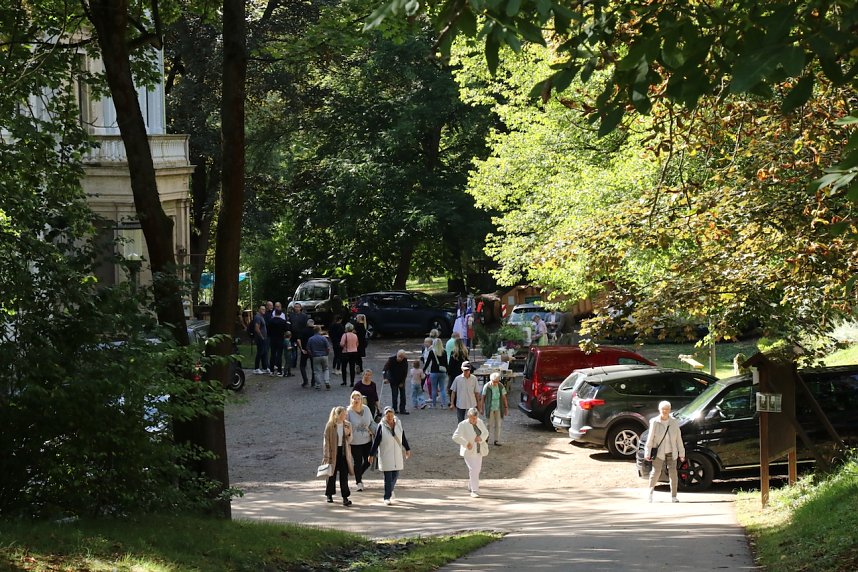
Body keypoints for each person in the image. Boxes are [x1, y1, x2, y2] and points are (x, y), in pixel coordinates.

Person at [369, 406, 412, 505]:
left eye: (391, 414)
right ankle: (386, 496)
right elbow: (376, 442)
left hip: (396, 453)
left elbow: (402, 436)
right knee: (388, 477)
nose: (389, 417)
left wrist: (407, 448)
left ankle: (390, 489)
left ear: (393, 415)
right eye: (387, 415)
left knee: (395, 474)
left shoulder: (398, 424)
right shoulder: (381, 426)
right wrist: (371, 454)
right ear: (385, 415)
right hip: (386, 454)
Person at [644, 400, 686, 503]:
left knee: (673, 474)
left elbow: (678, 438)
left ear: (670, 410)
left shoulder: (674, 422)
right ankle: (650, 493)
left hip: (672, 451)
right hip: (659, 452)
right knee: (655, 472)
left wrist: (682, 453)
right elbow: (650, 438)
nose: (665, 411)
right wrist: (647, 452)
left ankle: (674, 496)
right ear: (659, 410)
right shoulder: (654, 421)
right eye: (663, 409)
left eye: (667, 409)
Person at [452, 407, 489, 498]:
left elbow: (486, 432)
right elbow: (455, 437)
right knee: (473, 469)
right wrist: (465, 443)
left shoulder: (479, 421)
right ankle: (474, 490)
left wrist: (481, 438)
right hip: (468, 451)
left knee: (477, 469)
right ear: (468, 417)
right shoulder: (462, 424)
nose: (474, 420)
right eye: (472, 418)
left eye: (475, 418)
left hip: (479, 449)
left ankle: (471, 485)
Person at [322, 406, 354, 506]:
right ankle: (329, 494)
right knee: (331, 475)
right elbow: (326, 442)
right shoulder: (330, 425)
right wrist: (326, 456)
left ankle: (345, 497)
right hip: (333, 453)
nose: (345, 416)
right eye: (344, 414)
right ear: (338, 415)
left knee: (344, 477)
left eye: (346, 414)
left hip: (344, 453)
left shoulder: (347, 425)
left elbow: (350, 440)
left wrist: (348, 434)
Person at [347, 391, 376, 492]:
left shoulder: (367, 409)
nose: (356, 400)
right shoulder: (348, 412)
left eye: (358, 398)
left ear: (361, 399)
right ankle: (358, 482)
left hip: (367, 440)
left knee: (369, 460)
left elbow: (371, 422)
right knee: (357, 462)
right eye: (354, 398)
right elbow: (346, 426)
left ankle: (358, 473)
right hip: (355, 442)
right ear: (351, 399)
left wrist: (374, 430)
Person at [481, 372, 509, 445]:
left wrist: (506, 407)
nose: (495, 383)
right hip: (490, 407)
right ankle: (486, 438)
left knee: (498, 424)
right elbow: (483, 398)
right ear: (491, 380)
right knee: (489, 424)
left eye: (497, 381)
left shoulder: (500, 386)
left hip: (498, 407)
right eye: (494, 381)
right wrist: (482, 408)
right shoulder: (487, 386)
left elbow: (504, 397)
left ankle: (496, 440)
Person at [423, 337, 449, 409]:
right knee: (442, 388)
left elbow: (428, 362)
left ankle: (434, 405)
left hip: (434, 372)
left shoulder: (432, 352)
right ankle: (444, 405)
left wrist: (423, 370)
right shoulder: (444, 352)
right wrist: (447, 371)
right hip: (442, 372)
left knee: (434, 388)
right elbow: (446, 363)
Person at [382, 349, 410, 415]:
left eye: (402, 357)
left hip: (401, 379)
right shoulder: (391, 360)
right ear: (397, 354)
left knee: (403, 395)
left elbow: (405, 372)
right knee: (394, 395)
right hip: (393, 380)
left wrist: (402, 382)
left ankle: (402, 409)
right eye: (399, 356)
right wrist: (385, 378)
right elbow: (384, 369)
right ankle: (394, 409)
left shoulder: (405, 361)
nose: (400, 358)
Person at [307, 325, 332, 390]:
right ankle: (327, 382)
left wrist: (311, 354)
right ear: (319, 330)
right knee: (325, 369)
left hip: (315, 356)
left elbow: (309, 349)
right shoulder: (323, 338)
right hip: (324, 355)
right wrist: (327, 353)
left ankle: (318, 384)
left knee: (316, 371)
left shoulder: (311, 339)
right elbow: (328, 348)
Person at [268, 302, 289, 376]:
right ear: (280, 314)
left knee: (272, 354)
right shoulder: (283, 322)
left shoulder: (270, 321)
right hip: (280, 339)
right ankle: (279, 371)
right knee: (279, 355)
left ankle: (271, 370)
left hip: (273, 339)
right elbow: (286, 330)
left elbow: (269, 331)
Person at [297, 318, 317, 387]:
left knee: (302, 366)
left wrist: (301, 349)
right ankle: (313, 382)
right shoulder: (315, 331)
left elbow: (298, 340)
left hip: (305, 350)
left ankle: (305, 381)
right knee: (314, 367)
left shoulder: (303, 330)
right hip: (313, 351)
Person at [340, 322, 359, 386]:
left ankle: (344, 381)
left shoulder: (344, 335)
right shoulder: (355, 335)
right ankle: (352, 382)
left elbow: (342, 344)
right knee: (352, 367)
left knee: (344, 367)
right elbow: (357, 344)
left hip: (346, 352)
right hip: (354, 352)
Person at [252, 305, 270, 374]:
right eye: (262, 309)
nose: (264, 310)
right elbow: (257, 328)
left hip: (264, 338)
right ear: (259, 310)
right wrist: (261, 337)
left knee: (264, 353)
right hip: (260, 338)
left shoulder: (262, 317)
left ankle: (265, 367)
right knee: (259, 352)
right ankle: (256, 368)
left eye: (264, 309)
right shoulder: (257, 317)